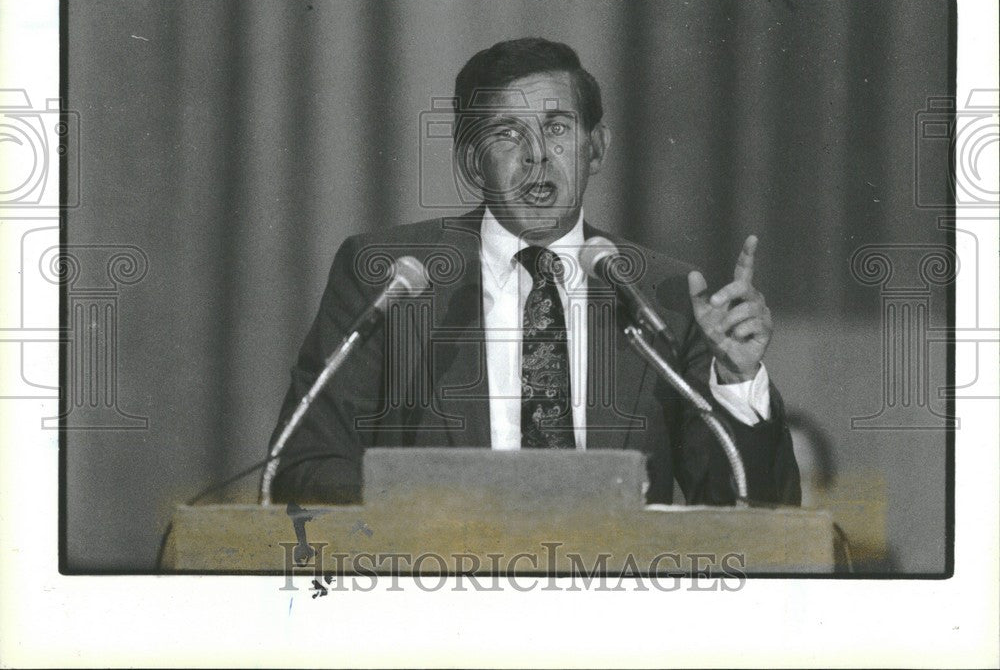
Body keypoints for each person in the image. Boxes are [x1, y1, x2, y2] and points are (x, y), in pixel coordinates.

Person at [269, 37, 800, 506]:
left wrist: (736, 382)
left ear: (596, 149)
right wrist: (440, 505)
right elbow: (302, 465)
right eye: (508, 133)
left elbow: (751, 510)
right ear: (473, 161)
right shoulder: (392, 279)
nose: (538, 156)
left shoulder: (664, 294)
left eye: (557, 128)